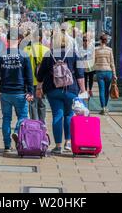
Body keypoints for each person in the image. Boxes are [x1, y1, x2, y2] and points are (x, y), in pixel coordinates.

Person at [36, 27, 86, 155]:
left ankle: (58, 146)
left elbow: (40, 74)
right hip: (71, 89)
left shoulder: (49, 54)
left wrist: (39, 87)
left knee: (57, 115)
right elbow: (80, 74)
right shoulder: (75, 54)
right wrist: (83, 90)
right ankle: (68, 143)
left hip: (53, 89)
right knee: (69, 115)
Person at [0, 29, 34, 153]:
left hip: (5, 92)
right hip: (20, 92)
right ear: (19, 40)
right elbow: (29, 76)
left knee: (6, 118)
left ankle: (7, 145)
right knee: (23, 116)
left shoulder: (1, 55)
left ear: (7, 40)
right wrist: (30, 91)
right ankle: (16, 131)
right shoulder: (24, 55)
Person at [24, 29, 50, 123]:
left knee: (32, 104)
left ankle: (34, 123)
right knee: (42, 103)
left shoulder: (26, 50)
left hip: (30, 81)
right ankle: (42, 123)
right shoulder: (46, 50)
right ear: (40, 38)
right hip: (43, 82)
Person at [94, 33, 117, 115]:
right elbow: (112, 63)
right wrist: (114, 74)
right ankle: (105, 107)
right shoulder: (109, 50)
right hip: (108, 72)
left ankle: (103, 107)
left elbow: (94, 61)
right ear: (106, 41)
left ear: (100, 40)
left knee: (101, 90)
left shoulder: (96, 50)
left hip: (100, 72)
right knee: (106, 90)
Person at [81, 33, 95, 97]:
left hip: (91, 65)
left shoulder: (92, 47)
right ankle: (85, 90)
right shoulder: (80, 48)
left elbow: (94, 56)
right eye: (84, 40)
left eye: (87, 40)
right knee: (85, 79)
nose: (85, 42)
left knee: (91, 78)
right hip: (84, 66)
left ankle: (90, 90)